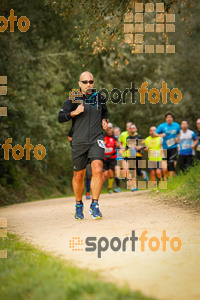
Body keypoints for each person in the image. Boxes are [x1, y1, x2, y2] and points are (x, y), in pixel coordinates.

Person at [58, 71, 108, 220]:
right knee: (79, 175)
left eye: (91, 82)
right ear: (79, 83)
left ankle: (95, 204)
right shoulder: (72, 98)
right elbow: (60, 117)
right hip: (79, 140)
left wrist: (105, 120)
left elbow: (104, 112)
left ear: (93, 83)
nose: (88, 84)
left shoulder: (100, 98)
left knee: (98, 169)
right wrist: (74, 112)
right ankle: (79, 205)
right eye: (85, 82)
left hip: (96, 138)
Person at [67, 126, 92, 200]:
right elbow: (69, 137)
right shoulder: (75, 126)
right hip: (79, 153)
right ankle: (79, 196)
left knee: (88, 174)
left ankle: (88, 192)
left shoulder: (91, 125)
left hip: (89, 153)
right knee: (79, 175)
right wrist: (75, 142)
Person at [154, 112, 180, 177]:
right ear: (165, 119)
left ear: (172, 119)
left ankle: (171, 180)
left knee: (172, 163)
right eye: (167, 117)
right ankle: (165, 178)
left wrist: (178, 138)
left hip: (173, 147)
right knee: (165, 166)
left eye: (170, 117)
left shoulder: (177, 125)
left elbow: (179, 133)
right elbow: (154, 134)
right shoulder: (162, 126)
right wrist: (160, 135)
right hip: (165, 148)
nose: (169, 119)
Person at [126, 124, 148, 191]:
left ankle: (142, 173)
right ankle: (134, 186)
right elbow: (127, 147)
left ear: (136, 129)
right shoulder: (128, 138)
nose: (132, 129)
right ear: (129, 130)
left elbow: (144, 146)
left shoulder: (139, 136)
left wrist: (139, 147)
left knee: (138, 172)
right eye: (131, 128)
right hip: (131, 156)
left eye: (133, 128)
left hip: (139, 155)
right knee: (132, 170)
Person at [103, 123, 120, 193]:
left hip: (112, 157)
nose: (108, 129)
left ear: (112, 128)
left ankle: (109, 188)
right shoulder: (102, 136)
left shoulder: (115, 137)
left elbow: (118, 146)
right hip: (104, 158)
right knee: (105, 174)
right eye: (107, 127)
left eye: (110, 128)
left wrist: (118, 145)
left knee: (111, 173)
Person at [113, 126, 121, 192]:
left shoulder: (123, 137)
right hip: (116, 157)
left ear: (119, 132)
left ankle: (133, 186)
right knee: (117, 172)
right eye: (114, 132)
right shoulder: (113, 138)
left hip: (124, 157)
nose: (115, 133)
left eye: (116, 132)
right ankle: (118, 187)